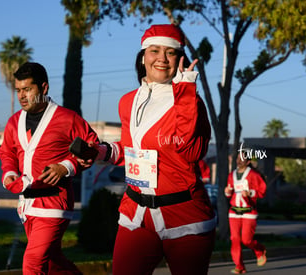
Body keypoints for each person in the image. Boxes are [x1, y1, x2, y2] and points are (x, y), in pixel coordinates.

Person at [78, 24, 216, 275]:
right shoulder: (128, 101)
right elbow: (132, 148)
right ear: (143, 56)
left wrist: (185, 94)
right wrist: (103, 152)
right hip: (136, 214)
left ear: (179, 59)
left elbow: (190, 151)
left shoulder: (190, 101)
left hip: (185, 216)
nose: (162, 58)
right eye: (154, 50)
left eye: (170, 52)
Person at [0, 62, 99, 274]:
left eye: (28, 89)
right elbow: (7, 152)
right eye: (18, 90)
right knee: (52, 261)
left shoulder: (68, 118)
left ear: (44, 88)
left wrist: (67, 166)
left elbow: (92, 147)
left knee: (33, 262)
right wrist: (9, 173)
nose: (22, 96)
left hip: (55, 200)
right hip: (27, 203)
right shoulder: (13, 122)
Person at [224, 150, 267, 274]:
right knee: (235, 239)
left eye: (242, 158)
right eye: (237, 158)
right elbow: (229, 193)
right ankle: (239, 266)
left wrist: (251, 193)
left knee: (246, 240)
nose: (239, 160)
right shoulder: (231, 175)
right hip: (234, 212)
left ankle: (260, 250)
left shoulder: (253, 175)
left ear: (248, 162)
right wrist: (227, 191)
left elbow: (262, 191)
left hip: (249, 212)